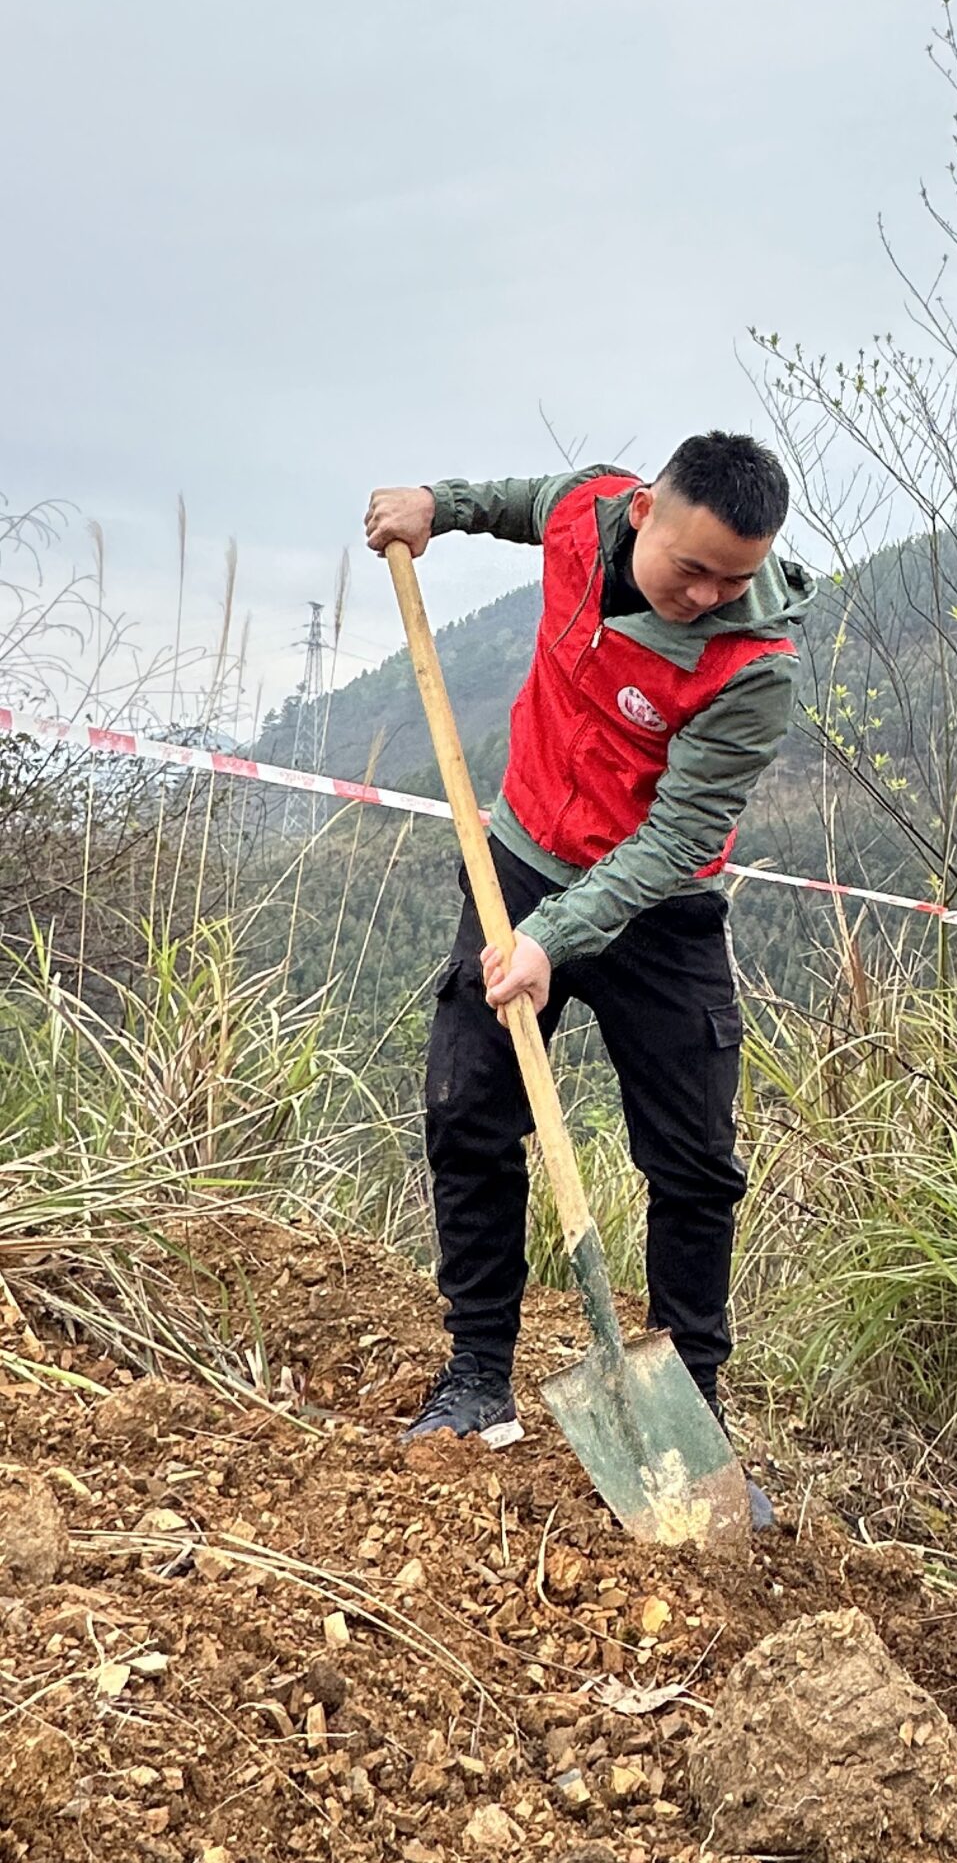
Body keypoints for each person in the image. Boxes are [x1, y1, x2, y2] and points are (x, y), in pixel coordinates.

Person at [364, 435, 813, 1491]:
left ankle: (690, 1420)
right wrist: (438, 500)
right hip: (516, 860)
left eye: (732, 578)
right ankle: (478, 1372)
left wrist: (551, 943)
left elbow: (668, 841)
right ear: (644, 510)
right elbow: (520, 495)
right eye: (688, 567)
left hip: (661, 906)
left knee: (695, 1161)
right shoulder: (587, 508)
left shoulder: (756, 665)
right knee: (468, 1103)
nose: (705, 595)